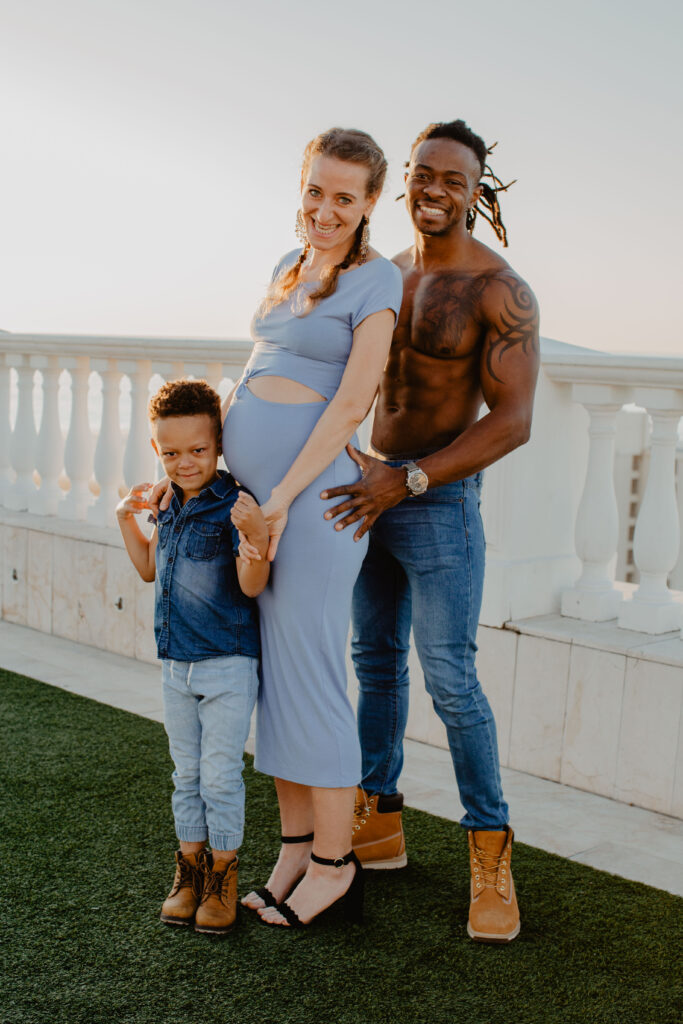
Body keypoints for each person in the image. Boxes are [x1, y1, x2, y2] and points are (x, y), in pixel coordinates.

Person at [321, 119, 540, 943]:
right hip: (368, 490)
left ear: (476, 192)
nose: (433, 190)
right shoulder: (383, 274)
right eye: (422, 174)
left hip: (435, 500)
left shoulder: (499, 290)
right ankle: (378, 819)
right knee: (374, 662)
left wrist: (408, 479)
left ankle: (489, 854)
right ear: (403, 181)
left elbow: (512, 421)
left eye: (452, 179)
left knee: (450, 679)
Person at [223, 127, 403, 928]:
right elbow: (259, 370)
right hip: (261, 503)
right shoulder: (286, 265)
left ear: (368, 203)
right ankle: (296, 848)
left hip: (313, 505)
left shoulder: (377, 281)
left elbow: (353, 400)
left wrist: (283, 496)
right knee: (276, 682)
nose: (324, 210)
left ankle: (336, 863)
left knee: (315, 681)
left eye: (343, 198)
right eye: (315, 191)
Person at [116, 379, 270, 936]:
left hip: (227, 663)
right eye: (171, 453)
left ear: (219, 444)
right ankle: (189, 871)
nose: (184, 463)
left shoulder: (234, 504)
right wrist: (124, 518)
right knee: (186, 774)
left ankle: (222, 875)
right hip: (175, 665)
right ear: (156, 450)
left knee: (220, 777)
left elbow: (251, 586)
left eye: (198, 450)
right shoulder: (168, 505)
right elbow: (148, 570)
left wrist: (255, 539)